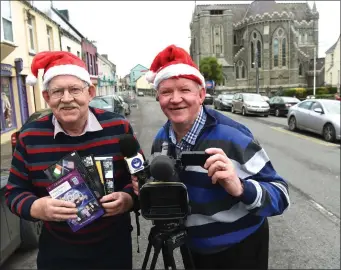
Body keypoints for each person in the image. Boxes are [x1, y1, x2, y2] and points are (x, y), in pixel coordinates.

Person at [132, 45, 290, 269]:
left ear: (201, 94)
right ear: (157, 97)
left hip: (239, 249)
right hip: (191, 249)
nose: (175, 99)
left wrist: (240, 187)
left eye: (184, 90)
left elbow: (281, 194)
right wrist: (148, 188)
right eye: (167, 92)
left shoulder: (233, 136)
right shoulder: (161, 139)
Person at [5, 51, 140, 269]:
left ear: (90, 92)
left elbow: (141, 181)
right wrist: (36, 207)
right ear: (47, 97)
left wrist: (128, 199)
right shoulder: (30, 137)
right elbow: (14, 192)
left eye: (75, 89)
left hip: (113, 249)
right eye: (58, 91)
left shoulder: (119, 128)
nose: (67, 98)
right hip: (58, 252)